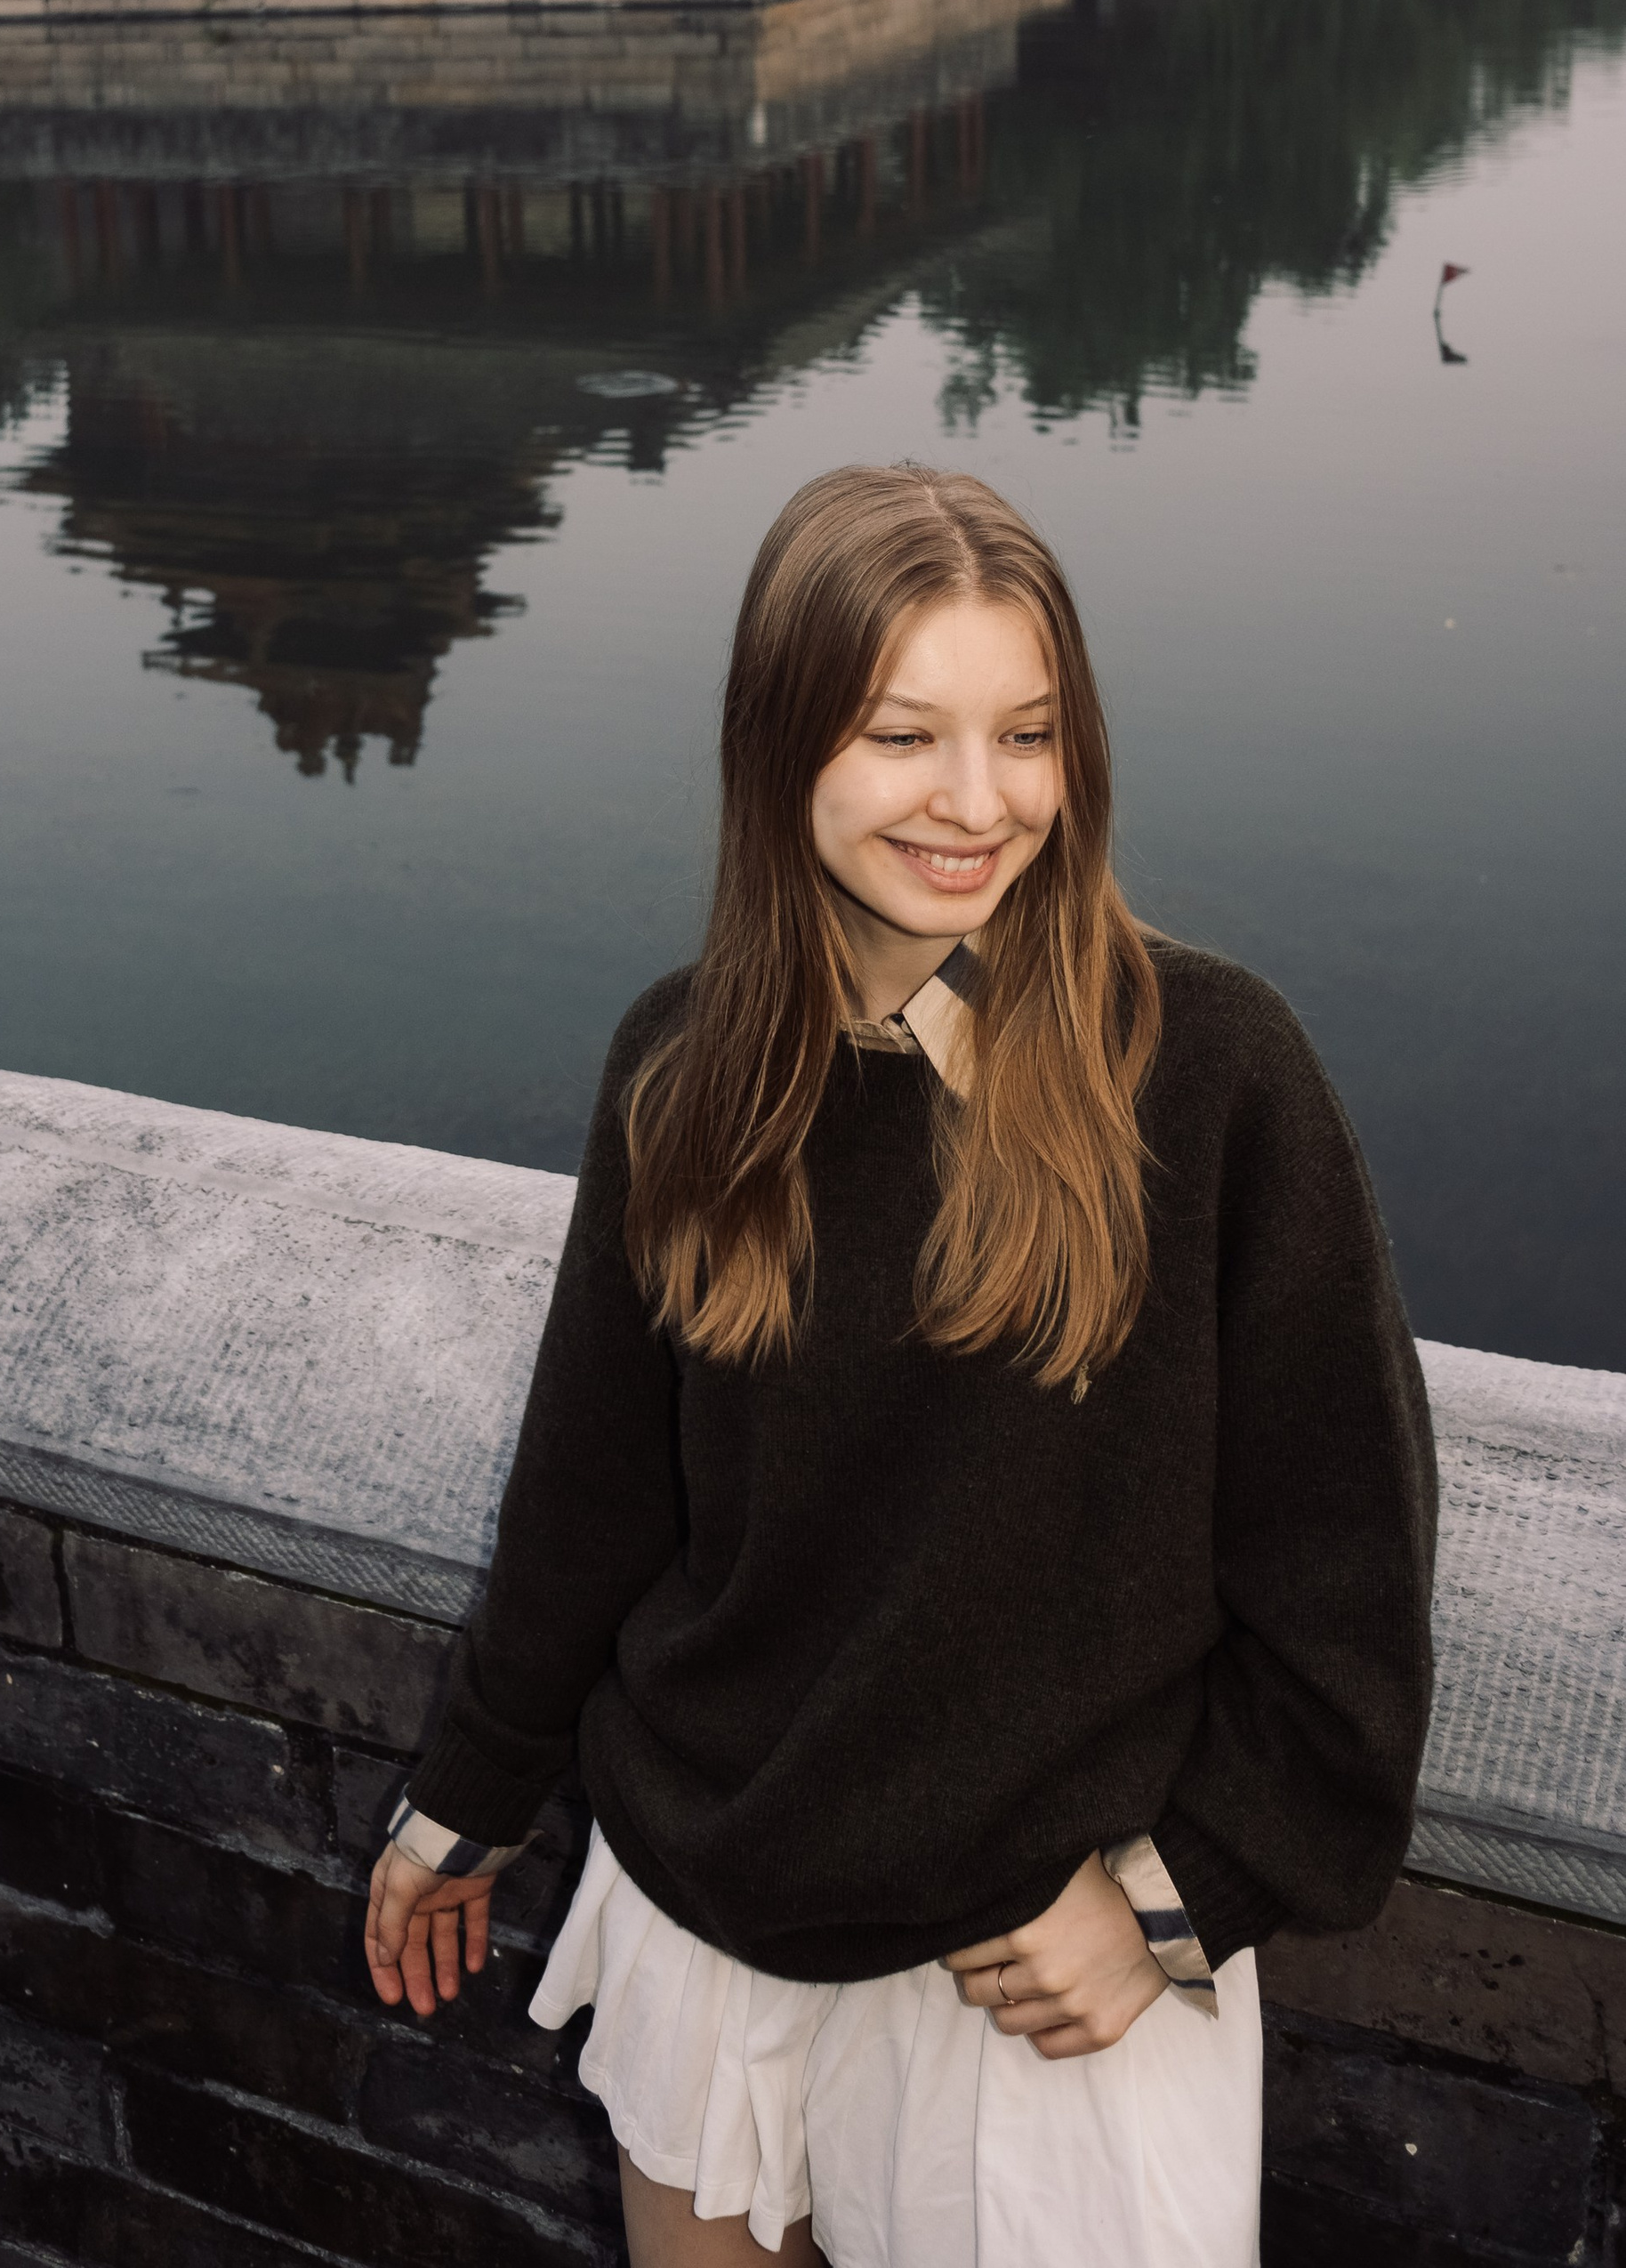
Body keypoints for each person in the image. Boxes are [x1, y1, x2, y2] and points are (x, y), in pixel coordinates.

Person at [364, 464, 1436, 2268]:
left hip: (1037, 1970)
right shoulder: (688, 1064)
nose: (972, 802)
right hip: (708, 1905)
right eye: (899, 734)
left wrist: (1182, 1900)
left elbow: (1348, 1575)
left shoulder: (1212, 1077)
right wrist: (467, 1792)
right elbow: (592, 1499)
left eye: (1024, 735)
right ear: (780, 747)